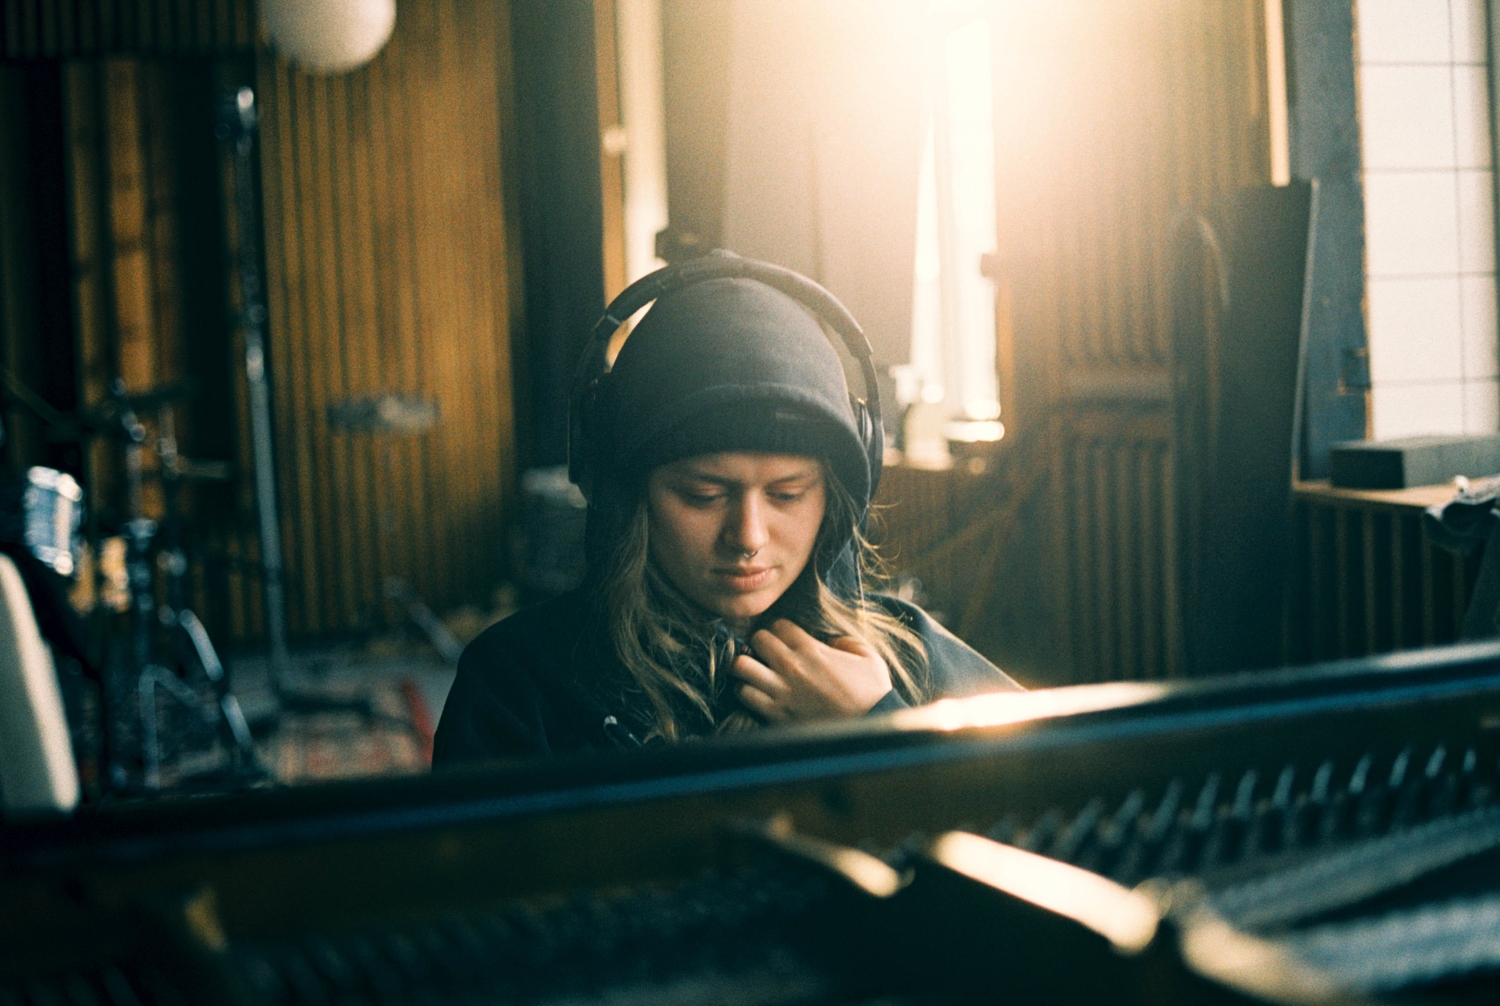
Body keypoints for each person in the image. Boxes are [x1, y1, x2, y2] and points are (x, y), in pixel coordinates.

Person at [433, 261, 1019, 764]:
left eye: (787, 495)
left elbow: (1066, 830)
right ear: (624, 493)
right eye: (703, 496)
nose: (748, 537)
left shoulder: (908, 654)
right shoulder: (516, 684)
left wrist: (875, 726)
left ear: (837, 499)